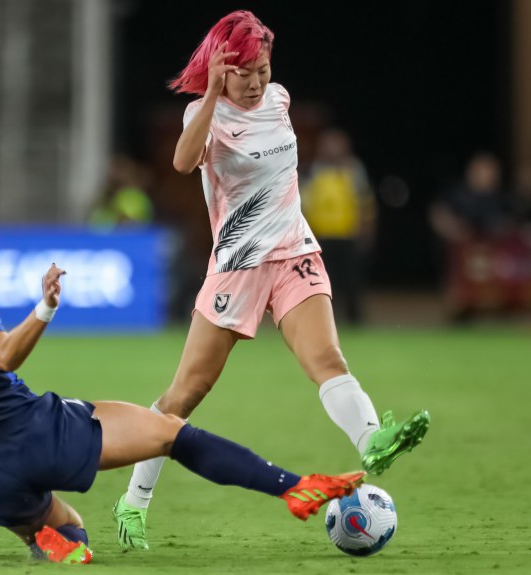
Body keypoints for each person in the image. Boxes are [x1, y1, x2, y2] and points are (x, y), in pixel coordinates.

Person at [0, 137, 365, 564]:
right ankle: (294, 488)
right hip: (31, 436)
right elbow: (3, 356)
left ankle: (43, 537)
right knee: (172, 434)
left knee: (69, 531)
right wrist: (44, 309)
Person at [113, 11, 430, 551]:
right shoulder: (204, 114)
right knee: (185, 393)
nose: (257, 82)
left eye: (263, 69)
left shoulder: (279, 100)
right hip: (238, 266)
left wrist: (252, 83)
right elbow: (183, 162)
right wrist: (212, 94)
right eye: (244, 73)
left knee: (327, 359)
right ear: (222, 70)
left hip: (293, 252)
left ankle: (371, 439)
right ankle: (134, 500)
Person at [301, 128, 376, 324]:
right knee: (322, 282)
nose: (333, 149)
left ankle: (354, 320)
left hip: (348, 235)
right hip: (320, 236)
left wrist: (366, 229)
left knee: (352, 281)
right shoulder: (312, 171)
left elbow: (365, 202)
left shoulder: (354, 170)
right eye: (329, 144)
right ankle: (325, 321)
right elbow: (303, 203)